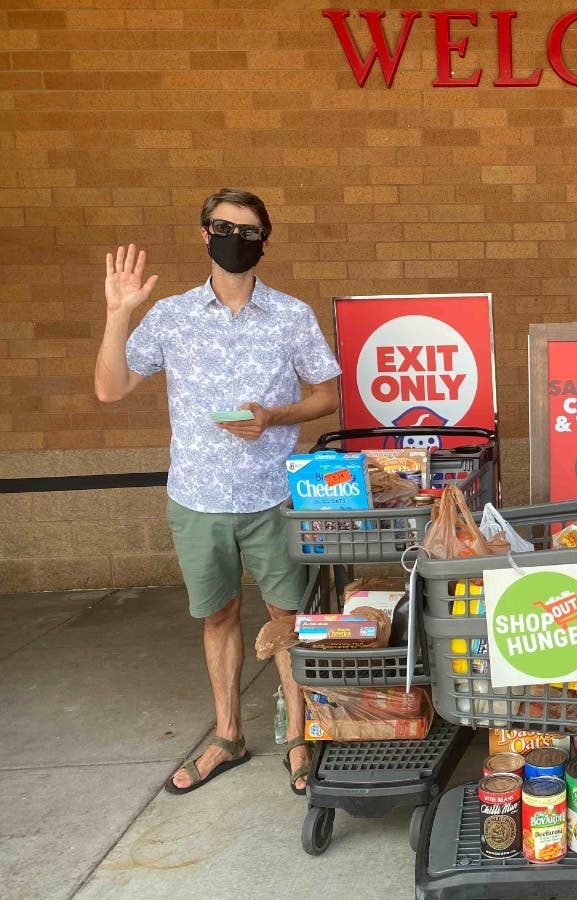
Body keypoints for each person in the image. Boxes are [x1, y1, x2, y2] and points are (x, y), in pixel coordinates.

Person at [94, 188, 342, 796]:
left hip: (272, 499)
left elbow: (328, 395)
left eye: (250, 230)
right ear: (205, 234)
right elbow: (110, 388)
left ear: (264, 241)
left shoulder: (291, 314)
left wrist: (275, 416)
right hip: (197, 500)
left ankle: (301, 740)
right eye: (224, 227)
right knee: (219, 616)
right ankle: (228, 736)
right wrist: (118, 311)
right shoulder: (173, 316)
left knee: (289, 621)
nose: (236, 238)